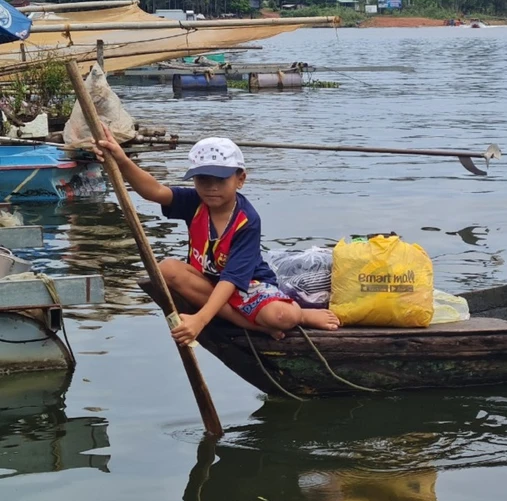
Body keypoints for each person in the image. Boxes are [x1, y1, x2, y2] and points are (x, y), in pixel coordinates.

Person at [95, 130, 339, 344]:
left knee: (283, 317)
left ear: (240, 179)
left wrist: (199, 320)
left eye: (220, 180)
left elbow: (232, 280)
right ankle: (251, 325)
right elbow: (156, 191)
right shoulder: (195, 202)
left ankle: (303, 314)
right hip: (209, 283)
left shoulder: (247, 220)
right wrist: (121, 160)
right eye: (203, 180)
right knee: (167, 269)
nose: (211, 188)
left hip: (246, 287)